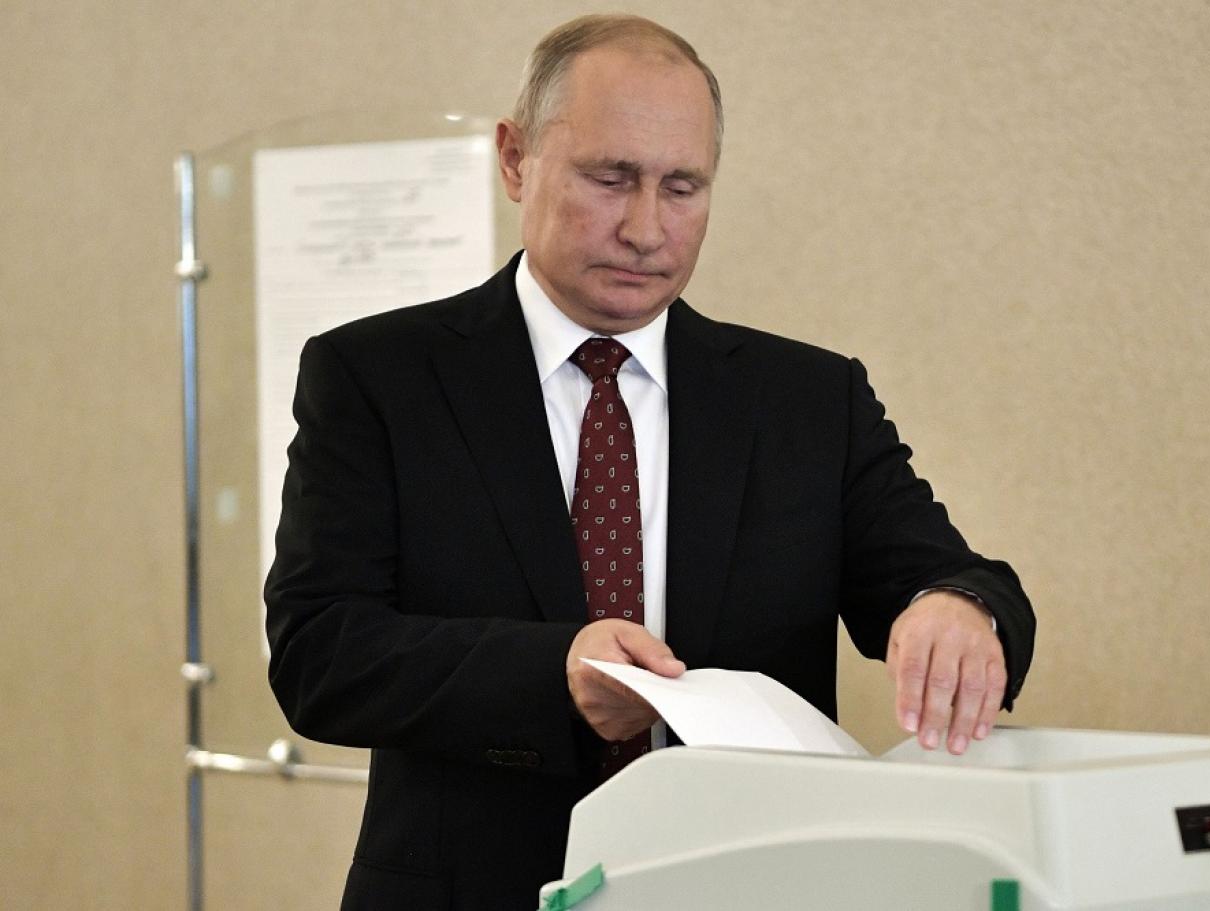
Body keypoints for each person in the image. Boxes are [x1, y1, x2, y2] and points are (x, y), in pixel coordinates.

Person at [265, 13, 1034, 910]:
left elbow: (953, 577)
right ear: (515, 159)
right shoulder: (378, 377)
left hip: (741, 891)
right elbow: (321, 653)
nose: (645, 228)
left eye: (682, 187)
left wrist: (960, 608)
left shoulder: (807, 401)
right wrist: (553, 673)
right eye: (610, 178)